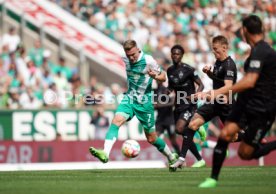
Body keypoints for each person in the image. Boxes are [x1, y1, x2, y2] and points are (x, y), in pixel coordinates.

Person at [198, 15, 276, 188]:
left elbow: (249, 82)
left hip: (262, 108)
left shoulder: (262, 51)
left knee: (245, 153)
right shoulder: (255, 52)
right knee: (225, 135)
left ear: (245, 31)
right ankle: (213, 179)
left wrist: (216, 93)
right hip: (246, 104)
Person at [89, 40, 178, 169]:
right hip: (129, 98)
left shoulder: (148, 60)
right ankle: (105, 153)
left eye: (133, 55)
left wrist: (156, 76)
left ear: (138, 50)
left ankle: (171, 156)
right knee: (116, 121)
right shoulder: (125, 59)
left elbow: (164, 77)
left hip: (145, 103)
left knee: (152, 138)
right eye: (128, 55)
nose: (131, 58)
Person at [170, 36, 238, 170]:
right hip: (215, 102)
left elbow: (228, 87)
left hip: (226, 104)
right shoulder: (218, 62)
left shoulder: (230, 64)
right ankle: (181, 159)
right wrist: (209, 74)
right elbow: (219, 79)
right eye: (213, 49)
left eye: (216, 49)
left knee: (234, 137)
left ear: (224, 48)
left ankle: (251, 136)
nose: (214, 52)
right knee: (192, 124)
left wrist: (205, 94)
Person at [167, 45, 206, 170]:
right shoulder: (169, 70)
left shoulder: (189, 69)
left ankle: (181, 158)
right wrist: (166, 92)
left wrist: (196, 95)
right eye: (173, 53)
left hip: (189, 105)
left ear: (182, 55)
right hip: (178, 105)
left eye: (178, 54)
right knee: (182, 133)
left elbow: (201, 85)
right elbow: (171, 86)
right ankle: (200, 159)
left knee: (179, 128)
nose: (175, 56)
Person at [154, 81, 180, 155]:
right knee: (155, 138)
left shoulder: (167, 90)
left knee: (173, 141)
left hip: (169, 120)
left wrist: (159, 105)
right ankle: (169, 155)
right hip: (160, 120)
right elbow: (154, 104)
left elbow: (172, 103)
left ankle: (180, 156)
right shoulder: (155, 91)